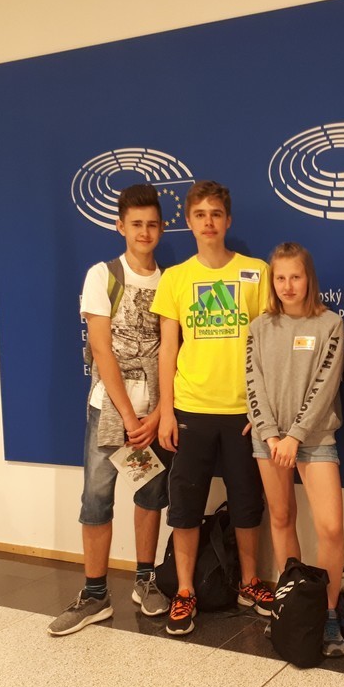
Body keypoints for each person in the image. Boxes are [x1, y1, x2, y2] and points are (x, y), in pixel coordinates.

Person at [152, 180, 274, 636]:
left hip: (244, 412)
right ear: (188, 221)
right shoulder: (175, 278)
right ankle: (185, 590)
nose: (208, 222)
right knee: (185, 504)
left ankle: (249, 582)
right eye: (200, 214)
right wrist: (166, 412)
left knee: (247, 502)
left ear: (228, 220)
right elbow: (168, 349)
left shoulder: (257, 272)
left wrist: (262, 410)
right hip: (191, 408)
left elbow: (269, 344)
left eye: (216, 214)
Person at [48, 184, 172, 636]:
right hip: (110, 411)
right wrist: (130, 417)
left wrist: (156, 415)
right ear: (120, 226)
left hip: (154, 413)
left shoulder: (169, 281)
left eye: (152, 224)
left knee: (151, 495)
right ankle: (95, 594)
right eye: (136, 224)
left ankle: (145, 579)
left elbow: (171, 352)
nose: (144, 232)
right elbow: (101, 350)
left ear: (162, 228)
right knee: (97, 499)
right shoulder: (102, 275)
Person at [245, 242, 344, 656]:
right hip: (268, 439)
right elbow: (253, 383)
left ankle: (328, 613)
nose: (288, 286)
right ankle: (290, 607)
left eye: (296, 277)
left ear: (309, 279)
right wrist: (271, 435)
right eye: (281, 278)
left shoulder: (330, 323)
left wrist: (295, 436)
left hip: (314, 438)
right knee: (282, 518)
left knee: (331, 529)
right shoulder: (259, 327)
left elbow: (326, 384)